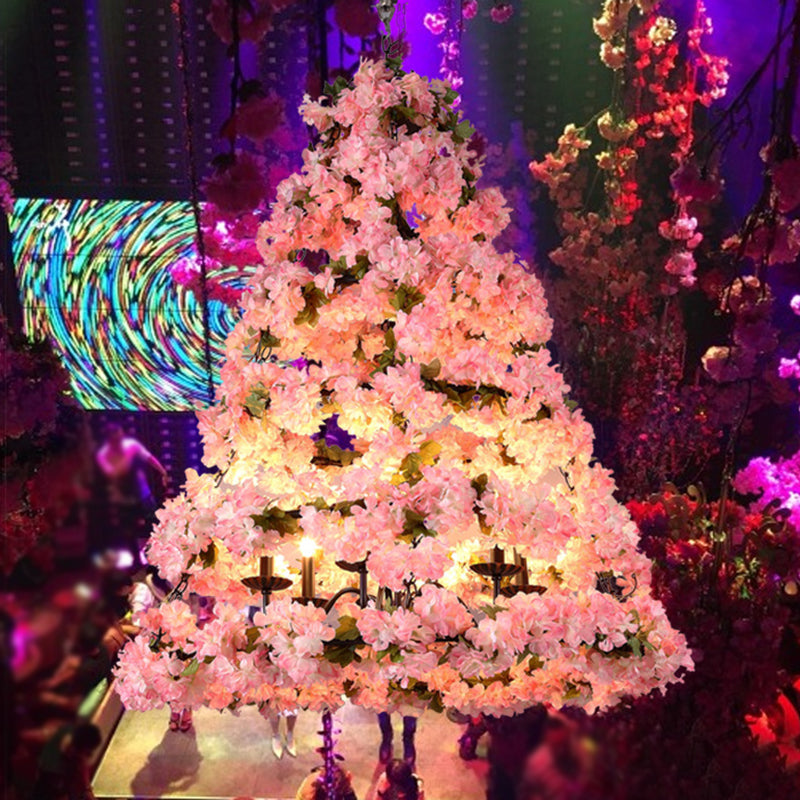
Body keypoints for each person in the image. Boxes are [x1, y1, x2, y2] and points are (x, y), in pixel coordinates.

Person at [95, 424, 167, 566]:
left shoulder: (131, 445)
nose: (119, 441)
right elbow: (113, 475)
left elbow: (149, 458)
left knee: (154, 524)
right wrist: (128, 459)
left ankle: (158, 555)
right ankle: (136, 560)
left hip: (143, 494)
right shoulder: (103, 455)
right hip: (124, 499)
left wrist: (162, 472)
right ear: (109, 440)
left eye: (120, 436)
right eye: (115, 439)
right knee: (129, 531)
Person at [32, 721, 102, 800]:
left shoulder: (75, 734)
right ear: (75, 750)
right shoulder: (52, 764)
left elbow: (83, 763)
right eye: (87, 752)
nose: (89, 755)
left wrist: (87, 790)